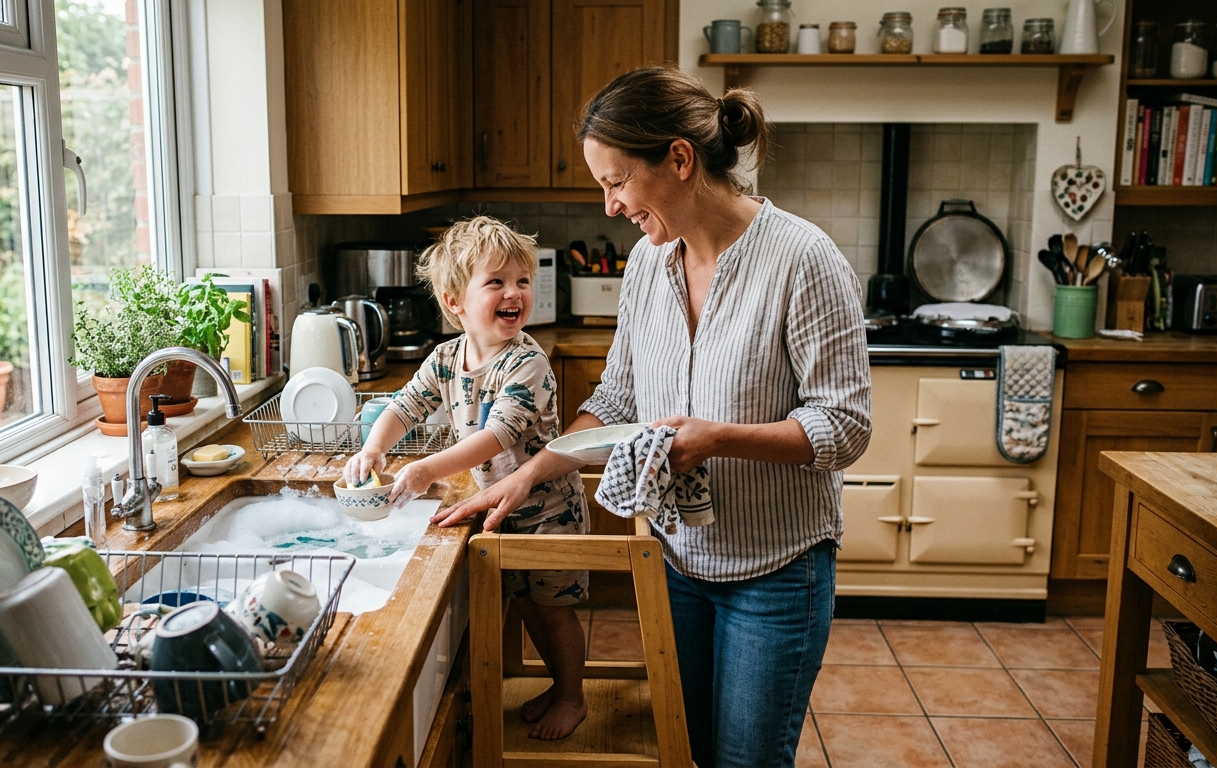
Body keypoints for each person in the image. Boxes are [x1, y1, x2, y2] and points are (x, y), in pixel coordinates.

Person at [432, 67, 872, 767]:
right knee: (692, 749)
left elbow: (843, 428)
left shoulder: (803, 259)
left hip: (777, 571)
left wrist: (717, 438)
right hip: (676, 561)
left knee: (747, 761)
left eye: (616, 181)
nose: (609, 206)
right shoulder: (646, 263)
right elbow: (616, 399)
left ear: (678, 159)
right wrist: (528, 475)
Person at [344, 215, 591, 741]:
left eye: (522, 280)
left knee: (556, 611)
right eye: (496, 281)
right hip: (500, 511)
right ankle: (557, 683)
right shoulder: (445, 358)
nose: (514, 293)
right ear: (455, 301)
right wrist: (373, 448)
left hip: (549, 513)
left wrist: (428, 468)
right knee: (526, 605)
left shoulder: (528, 362)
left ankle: (572, 695)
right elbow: (404, 406)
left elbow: (498, 436)